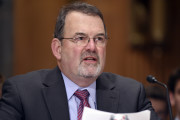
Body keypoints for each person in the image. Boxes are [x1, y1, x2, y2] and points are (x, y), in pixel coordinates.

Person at [0, 2, 159, 120]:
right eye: (80, 38)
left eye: (99, 39)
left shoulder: (131, 94)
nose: (92, 47)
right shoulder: (22, 94)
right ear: (58, 48)